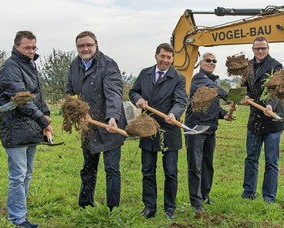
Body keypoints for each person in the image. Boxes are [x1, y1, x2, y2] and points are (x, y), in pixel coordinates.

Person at [0, 31, 52, 228]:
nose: (31, 51)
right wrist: (43, 121)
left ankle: (21, 214)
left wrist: (46, 114)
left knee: (26, 175)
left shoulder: (30, 65)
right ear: (16, 47)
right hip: (15, 130)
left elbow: (38, 95)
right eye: (27, 47)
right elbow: (23, 100)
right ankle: (17, 218)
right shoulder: (10, 69)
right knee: (18, 176)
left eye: (34, 48)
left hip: (30, 130)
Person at [65, 31, 126, 211]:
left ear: (96, 45)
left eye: (89, 45)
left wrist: (112, 118)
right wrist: (78, 112)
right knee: (88, 168)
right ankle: (86, 207)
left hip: (109, 125)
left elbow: (114, 93)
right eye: (81, 46)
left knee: (112, 169)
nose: (85, 48)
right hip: (88, 126)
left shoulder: (108, 65)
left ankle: (113, 210)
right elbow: (69, 93)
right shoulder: (74, 66)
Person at [129, 43, 187, 220]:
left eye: (169, 57)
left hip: (169, 128)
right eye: (163, 56)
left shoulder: (178, 78)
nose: (165, 60)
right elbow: (133, 91)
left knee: (170, 171)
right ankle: (149, 207)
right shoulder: (145, 74)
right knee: (147, 170)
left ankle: (170, 208)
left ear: (172, 59)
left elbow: (181, 101)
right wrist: (138, 99)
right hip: (147, 128)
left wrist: (173, 113)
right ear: (156, 56)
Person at [184, 52, 235, 216]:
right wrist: (230, 97)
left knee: (207, 165)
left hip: (210, 129)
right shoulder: (200, 79)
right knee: (195, 166)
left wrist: (225, 114)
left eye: (214, 61)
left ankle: (205, 195)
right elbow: (213, 90)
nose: (211, 63)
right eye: (208, 60)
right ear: (200, 62)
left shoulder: (213, 81)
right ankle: (196, 202)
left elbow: (213, 106)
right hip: (195, 129)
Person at [240, 36, 284, 204]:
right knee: (251, 158)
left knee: (271, 161)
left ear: (268, 49)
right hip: (255, 120)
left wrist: (271, 106)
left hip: (272, 121)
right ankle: (248, 193)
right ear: (253, 50)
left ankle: (269, 197)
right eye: (257, 48)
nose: (260, 51)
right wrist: (244, 96)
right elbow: (244, 87)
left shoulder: (276, 67)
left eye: (263, 48)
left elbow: (277, 91)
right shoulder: (248, 67)